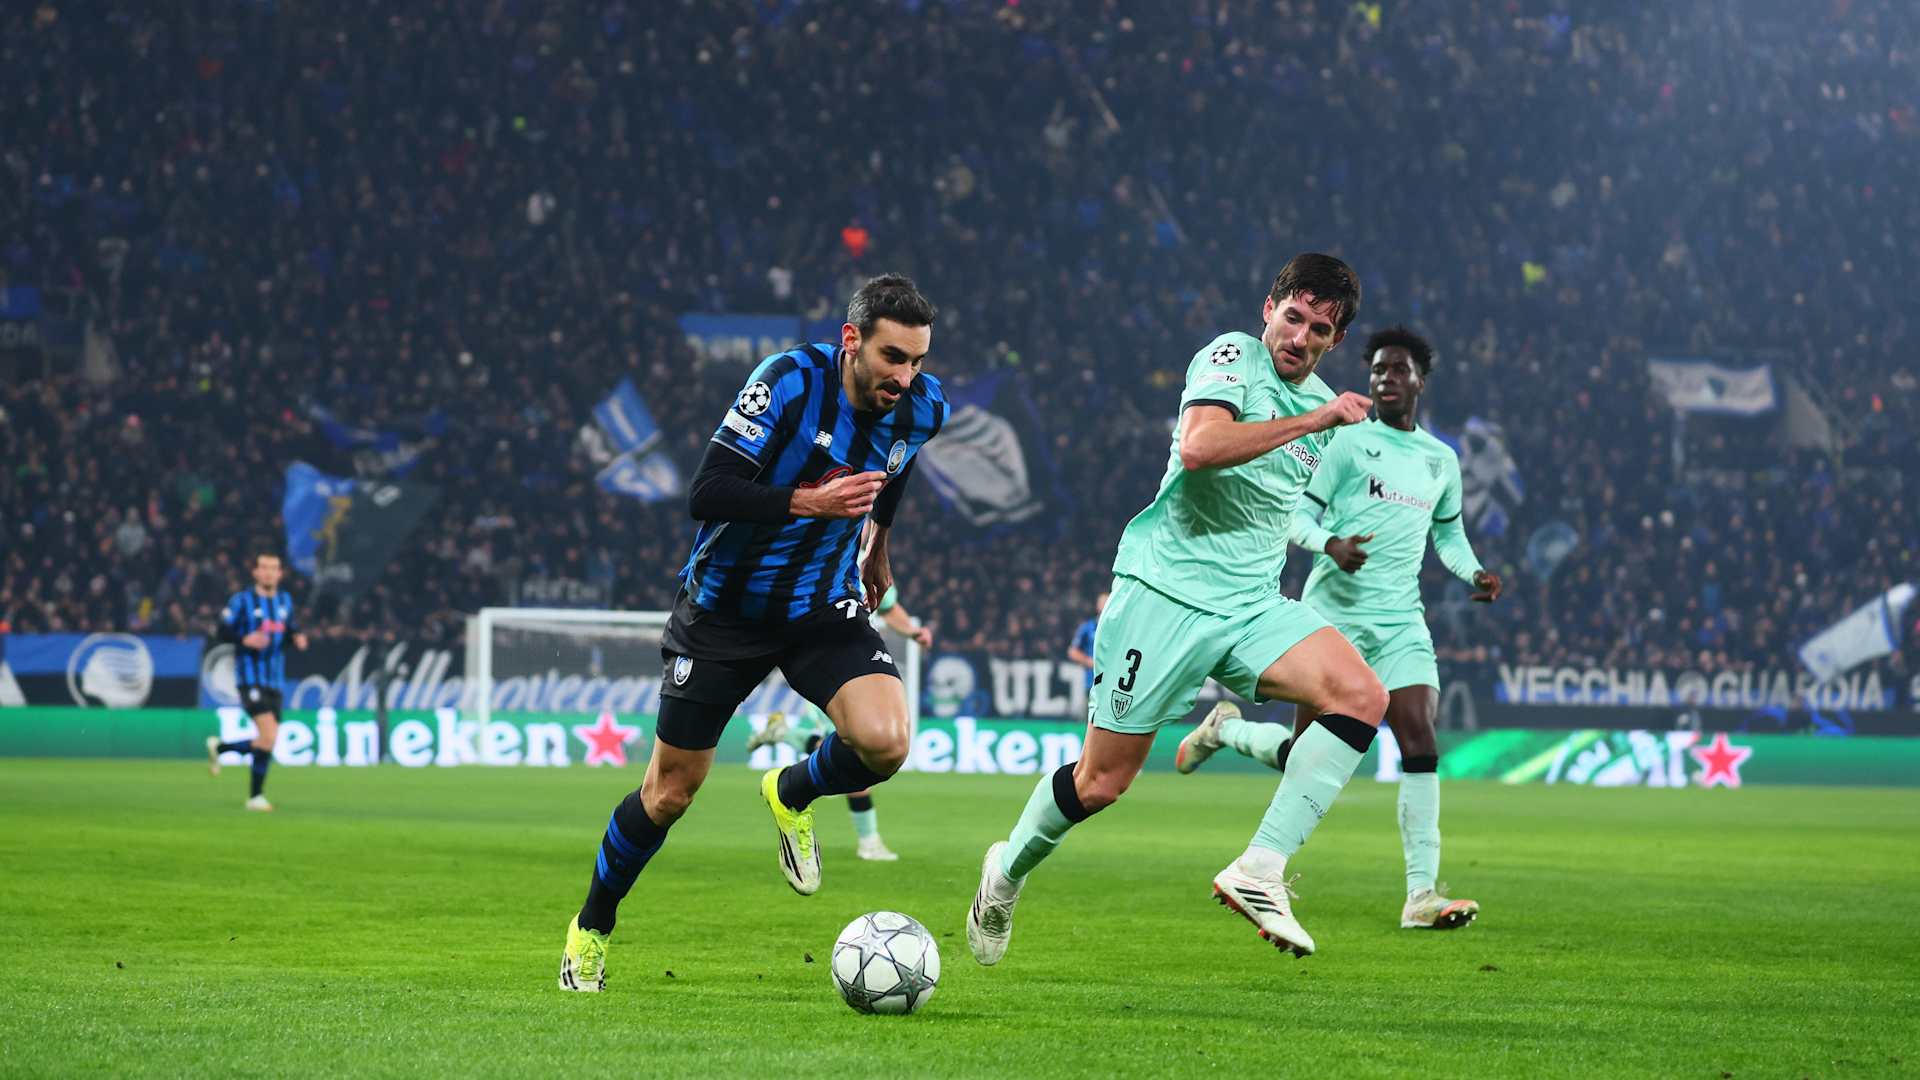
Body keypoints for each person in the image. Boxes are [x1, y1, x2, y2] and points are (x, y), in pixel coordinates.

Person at [965, 253, 1385, 965]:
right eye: (1292, 317)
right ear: (1269, 309)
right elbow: (1198, 447)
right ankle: (1004, 874)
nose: (1300, 337)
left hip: (1250, 605)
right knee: (1101, 783)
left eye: (1319, 329)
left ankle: (1260, 869)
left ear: (1335, 339)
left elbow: (1277, 505)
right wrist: (1317, 417)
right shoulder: (1234, 357)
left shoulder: (1325, 414)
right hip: (1163, 596)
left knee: (1361, 695)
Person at [559, 274, 947, 992]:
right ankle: (591, 927)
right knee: (669, 794)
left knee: (887, 742)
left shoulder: (922, 407)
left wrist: (879, 545)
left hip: (819, 605)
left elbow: (897, 465)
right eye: (893, 357)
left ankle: (791, 790)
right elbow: (706, 492)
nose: (905, 376)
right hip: (725, 611)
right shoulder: (788, 383)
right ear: (852, 340)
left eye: (917, 360)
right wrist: (812, 503)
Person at [1176, 325, 1503, 930]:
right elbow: (1298, 515)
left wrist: (1474, 572)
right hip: (1334, 618)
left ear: (1419, 381)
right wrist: (1330, 543)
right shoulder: (1347, 442)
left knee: (1421, 742)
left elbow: (1449, 535)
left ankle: (1421, 896)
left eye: (1397, 370)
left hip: (1401, 622)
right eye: (1377, 370)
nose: (1385, 379)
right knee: (1303, 756)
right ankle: (1227, 731)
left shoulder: (1440, 459)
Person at [747, 525, 936, 862]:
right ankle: (869, 841)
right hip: (825, 663)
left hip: (852, 666)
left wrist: (913, 631)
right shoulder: (817, 552)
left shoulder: (865, 559)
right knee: (858, 749)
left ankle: (785, 735)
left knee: (849, 748)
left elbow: (889, 606)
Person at [204, 552, 308, 811]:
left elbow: (289, 629)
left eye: (274, 568)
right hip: (249, 678)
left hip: (275, 680)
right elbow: (220, 630)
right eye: (264, 567)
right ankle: (255, 797)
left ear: (280, 573)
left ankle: (222, 748)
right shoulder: (242, 601)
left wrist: (296, 638)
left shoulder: (285, 601)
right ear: (256, 572)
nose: (269, 572)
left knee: (267, 740)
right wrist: (243, 639)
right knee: (269, 734)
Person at [1065, 592, 1106, 689]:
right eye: (1103, 602)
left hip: (1110, 681)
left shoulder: (1117, 628)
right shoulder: (1087, 627)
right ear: (1097, 606)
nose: (1105, 605)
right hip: (1091, 680)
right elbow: (1072, 652)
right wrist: (1089, 661)